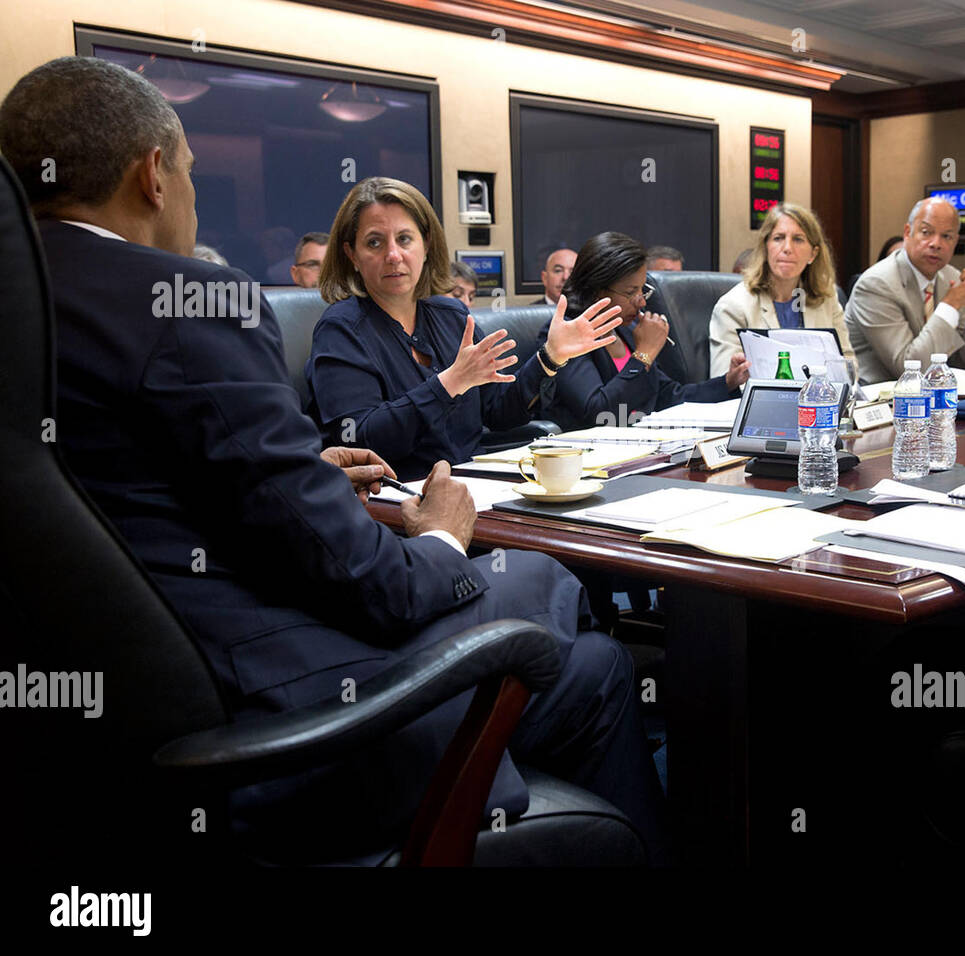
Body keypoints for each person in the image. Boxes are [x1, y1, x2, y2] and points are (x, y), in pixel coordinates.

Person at [0, 55, 670, 863]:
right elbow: (374, 587)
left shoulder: (32, 297)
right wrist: (441, 541)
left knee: (558, 634)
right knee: (584, 652)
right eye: (190, 172)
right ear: (153, 175)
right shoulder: (185, 305)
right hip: (267, 728)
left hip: (103, 736)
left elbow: (140, 496)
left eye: (408, 238)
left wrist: (307, 473)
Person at [303, 178, 622, 478]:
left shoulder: (452, 316)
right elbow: (361, 441)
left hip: (474, 484)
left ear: (426, 246)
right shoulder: (341, 330)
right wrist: (449, 383)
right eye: (374, 242)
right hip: (397, 498)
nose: (393, 255)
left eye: (404, 239)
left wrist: (549, 358)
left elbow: (498, 414)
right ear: (352, 255)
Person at [539, 232, 748, 431]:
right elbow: (598, 413)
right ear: (596, 291)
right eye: (631, 292)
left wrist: (728, 382)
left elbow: (669, 396)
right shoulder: (564, 334)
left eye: (642, 290)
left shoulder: (626, 330)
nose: (641, 301)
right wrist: (643, 355)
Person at [845, 197, 965, 382]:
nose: (936, 243)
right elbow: (909, 369)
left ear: (955, 241)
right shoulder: (876, 284)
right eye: (926, 232)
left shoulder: (951, 278)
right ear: (908, 232)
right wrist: (951, 304)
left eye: (946, 236)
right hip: (879, 401)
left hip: (933, 400)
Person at [708, 202, 855, 379]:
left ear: (813, 254)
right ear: (766, 247)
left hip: (819, 402)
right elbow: (724, 381)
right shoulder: (733, 306)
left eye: (798, 239)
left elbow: (849, 366)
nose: (787, 248)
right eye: (778, 238)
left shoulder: (826, 299)